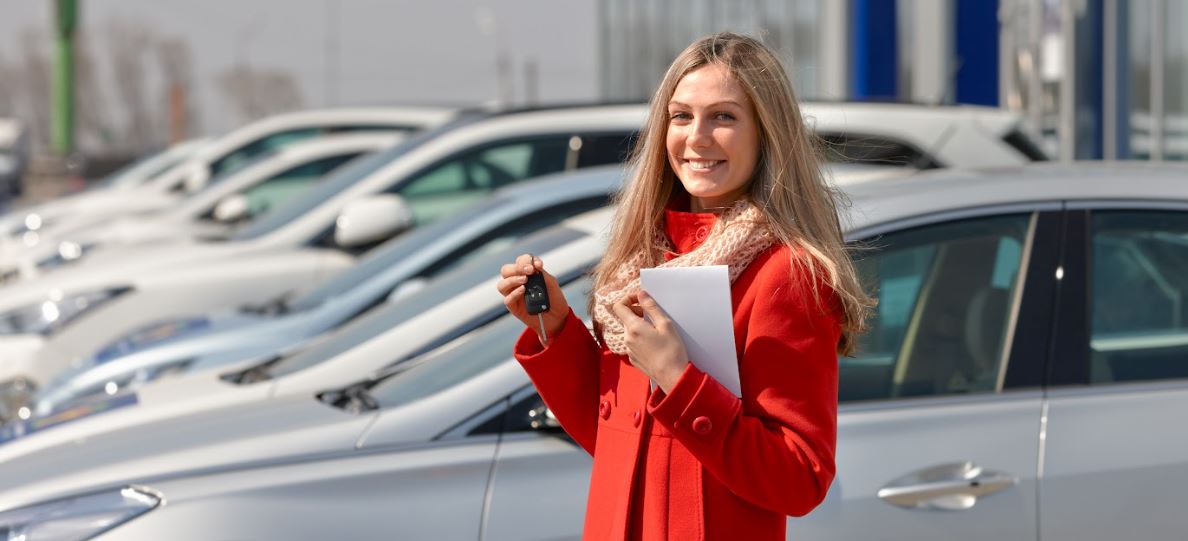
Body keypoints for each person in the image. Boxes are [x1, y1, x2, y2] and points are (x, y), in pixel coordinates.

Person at [497, 32, 872, 541]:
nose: (697, 137)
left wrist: (678, 377)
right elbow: (614, 440)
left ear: (767, 134)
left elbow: (800, 479)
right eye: (681, 116)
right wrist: (556, 329)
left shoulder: (786, 273)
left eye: (724, 117)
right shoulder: (640, 259)